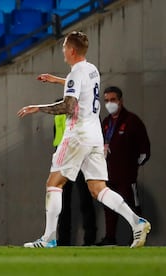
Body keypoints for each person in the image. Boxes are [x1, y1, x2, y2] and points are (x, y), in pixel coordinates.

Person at [17, 31, 151, 248]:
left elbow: (68, 106)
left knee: (54, 183)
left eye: (63, 49)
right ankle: (137, 222)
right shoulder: (91, 70)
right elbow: (80, 86)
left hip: (77, 135)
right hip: (95, 135)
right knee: (98, 188)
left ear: (71, 50)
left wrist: (38, 108)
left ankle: (49, 238)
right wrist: (57, 80)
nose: (63, 53)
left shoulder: (76, 73)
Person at [96, 86, 151, 246]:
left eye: (113, 100)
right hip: (108, 172)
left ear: (120, 101)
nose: (109, 103)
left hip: (127, 174)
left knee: (132, 204)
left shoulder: (132, 121)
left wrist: (132, 165)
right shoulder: (106, 122)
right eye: (106, 101)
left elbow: (144, 149)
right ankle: (110, 237)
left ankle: (138, 236)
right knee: (109, 206)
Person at [53, 112, 97, 246]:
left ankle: (89, 239)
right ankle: (63, 240)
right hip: (64, 162)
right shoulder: (59, 111)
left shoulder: (88, 110)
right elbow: (57, 137)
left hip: (82, 161)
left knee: (86, 200)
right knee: (63, 203)